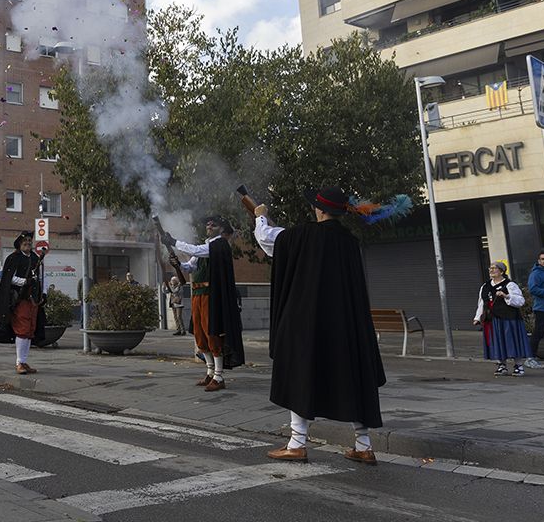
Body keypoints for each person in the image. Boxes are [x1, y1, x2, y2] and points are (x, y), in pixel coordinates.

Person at [254, 188, 386, 465]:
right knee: (354, 378)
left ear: (321, 210)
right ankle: (363, 445)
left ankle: (297, 443)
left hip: (308, 320)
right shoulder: (350, 241)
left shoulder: (303, 234)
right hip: (346, 324)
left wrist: (260, 217)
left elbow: (267, 240)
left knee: (300, 374)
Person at [161, 215, 245, 391]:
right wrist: (178, 264)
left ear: (221, 229)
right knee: (200, 335)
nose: (209, 225)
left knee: (212, 333)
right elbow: (190, 266)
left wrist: (173, 241)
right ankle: (209, 372)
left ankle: (219, 376)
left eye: (213, 224)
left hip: (210, 295)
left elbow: (196, 251)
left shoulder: (218, 245)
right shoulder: (207, 246)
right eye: (207, 223)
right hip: (198, 294)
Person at [0, 232, 46, 374]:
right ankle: (19, 363)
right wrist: (26, 281)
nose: (28, 243)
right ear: (19, 243)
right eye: (25, 241)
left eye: (29, 240)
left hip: (33, 300)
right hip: (19, 299)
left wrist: (42, 293)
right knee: (22, 330)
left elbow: (39, 278)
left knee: (29, 330)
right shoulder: (14, 258)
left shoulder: (35, 258)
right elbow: (10, 278)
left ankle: (23, 361)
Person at [475, 261, 531, 376]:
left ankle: (518, 366)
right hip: (492, 319)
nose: (491, 270)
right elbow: (482, 303)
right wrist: (477, 317)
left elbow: (520, 301)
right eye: (490, 268)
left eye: (494, 268)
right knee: (497, 342)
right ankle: (501, 365)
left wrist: (507, 296)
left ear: (501, 271)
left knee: (512, 341)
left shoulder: (510, 285)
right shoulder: (485, 286)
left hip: (509, 319)